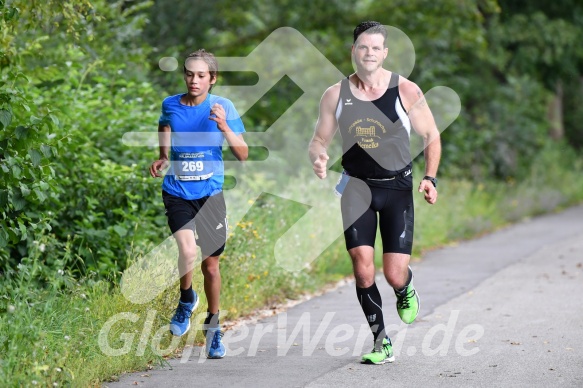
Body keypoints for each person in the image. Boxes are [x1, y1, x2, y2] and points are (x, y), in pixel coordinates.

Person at [309, 21, 441, 364]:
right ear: (354, 51)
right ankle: (381, 341)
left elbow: (431, 135)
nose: (369, 53)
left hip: (397, 189)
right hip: (356, 188)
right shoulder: (335, 94)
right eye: (363, 47)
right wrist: (319, 157)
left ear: (384, 53)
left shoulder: (407, 90)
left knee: (394, 272)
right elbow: (319, 139)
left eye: (375, 48)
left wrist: (430, 177)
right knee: (363, 269)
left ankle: (404, 287)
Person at [149, 49, 248, 359]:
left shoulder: (223, 107)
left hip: (210, 194)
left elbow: (243, 154)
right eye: (190, 74)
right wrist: (164, 155)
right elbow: (164, 125)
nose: (194, 80)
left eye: (201, 75)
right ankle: (185, 300)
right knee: (187, 250)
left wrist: (224, 126)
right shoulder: (170, 104)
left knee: (210, 265)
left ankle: (213, 326)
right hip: (177, 190)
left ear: (212, 79)